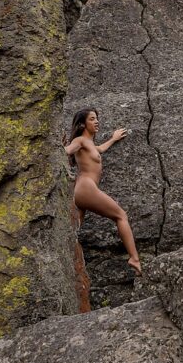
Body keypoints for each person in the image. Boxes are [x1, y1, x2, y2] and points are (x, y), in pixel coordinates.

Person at [65, 107, 142, 275]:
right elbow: (68, 150)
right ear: (83, 124)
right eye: (92, 119)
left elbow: (99, 149)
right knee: (121, 216)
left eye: (97, 118)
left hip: (83, 190)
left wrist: (113, 138)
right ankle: (134, 258)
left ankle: (66, 261)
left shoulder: (89, 144)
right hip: (86, 187)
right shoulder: (80, 140)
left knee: (73, 232)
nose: (97, 121)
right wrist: (59, 148)